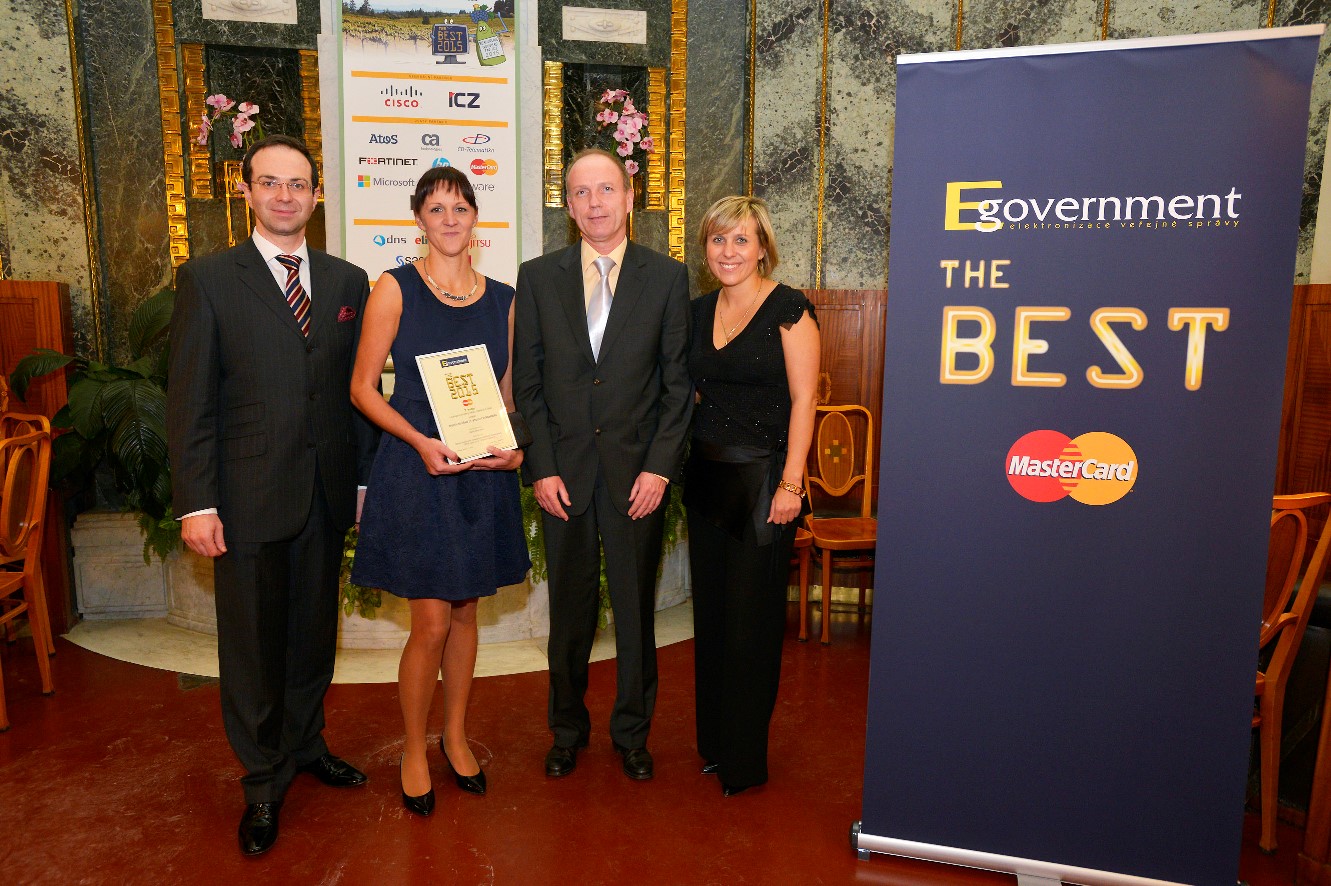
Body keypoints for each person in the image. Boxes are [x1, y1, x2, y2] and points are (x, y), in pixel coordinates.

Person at [167, 135, 375, 855]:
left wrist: (360, 480)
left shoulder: (348, 283)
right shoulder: (208, 279)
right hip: (247, 497)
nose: (285, 196)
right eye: (270, 183)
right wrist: (197, 502)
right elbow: (190, 399)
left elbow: (357, 393)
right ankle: (261, 779)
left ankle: (306, 744)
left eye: (298, 184)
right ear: (247, 191)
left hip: (325, 493)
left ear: (317, 196)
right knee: (254, 646)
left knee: (314, 634)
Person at [349, 166, 528, 816]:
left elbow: (507, 396)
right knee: (429, 622)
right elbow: (363, 388)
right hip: (417, 468)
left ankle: (454, 737)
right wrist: (421, 442)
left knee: (466, 613)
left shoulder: (505, 300)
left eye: (459, 207)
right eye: (436, 209)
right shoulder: (394, 288)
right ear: (418, 220)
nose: (449, 219)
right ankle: (414, 749)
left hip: (478, 473)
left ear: (475, 217)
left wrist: (514, 449)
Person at [514, 148, 692, 781]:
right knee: (569, 614)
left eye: (607, 189)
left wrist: (659, 469)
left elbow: (677, 387)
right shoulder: (538, 278)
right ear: (569, 204)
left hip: (636, 478)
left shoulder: (667, 278)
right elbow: (528, 384)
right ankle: (566, 731)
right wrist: (541, 467)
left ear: (629, 195)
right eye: (582, 192)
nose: (595, 203)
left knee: (636, 613)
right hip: (562, 477)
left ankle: (632, 735)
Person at [684, 195, 820, 796]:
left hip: (765, 485)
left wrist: (792, 482)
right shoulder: (696, 312)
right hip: (707, 480)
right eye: (718, 239)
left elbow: (805, 400)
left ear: (762, 248)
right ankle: (715, 744)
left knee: (751, 625)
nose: (729, 251)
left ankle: (744, 759)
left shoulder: (790, 309)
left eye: (741, 239)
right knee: (712, 620)